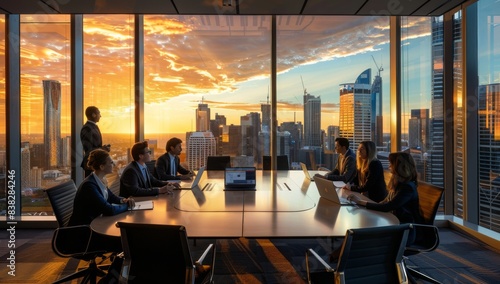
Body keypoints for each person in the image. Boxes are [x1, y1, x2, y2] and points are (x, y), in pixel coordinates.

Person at [347, 152, 424, 244]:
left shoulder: (407, 187)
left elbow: (388, 206)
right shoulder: (399, 182)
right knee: (362, 233)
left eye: (391, 164)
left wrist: (360, 202)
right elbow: (386, 201)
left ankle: (338, 256)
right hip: (394, 223)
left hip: (405, 230)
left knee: (362, 236)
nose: (389, 166)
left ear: (398, 166)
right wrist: (364, 204)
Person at [68, 148, 135, 252]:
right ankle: (118, 267)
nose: (113, 164)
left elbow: (112, 197)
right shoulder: (89, 186)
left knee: (126, 237)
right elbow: (109, 210)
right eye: (111, 162)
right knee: (125, 241)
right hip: (85, 233)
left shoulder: (100, 180)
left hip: (96, 224)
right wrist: (127, 207)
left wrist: (124, 200)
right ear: (102, 166)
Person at [80, 106, 110, 177]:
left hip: (95, 163)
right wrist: (102, 150)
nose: (100, 116)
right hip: (91, 164)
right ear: (94, 115)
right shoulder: (87, 128)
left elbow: (94, 146)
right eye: (99, 113)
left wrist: (102, 148)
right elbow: (89, 150)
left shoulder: (92, 126)